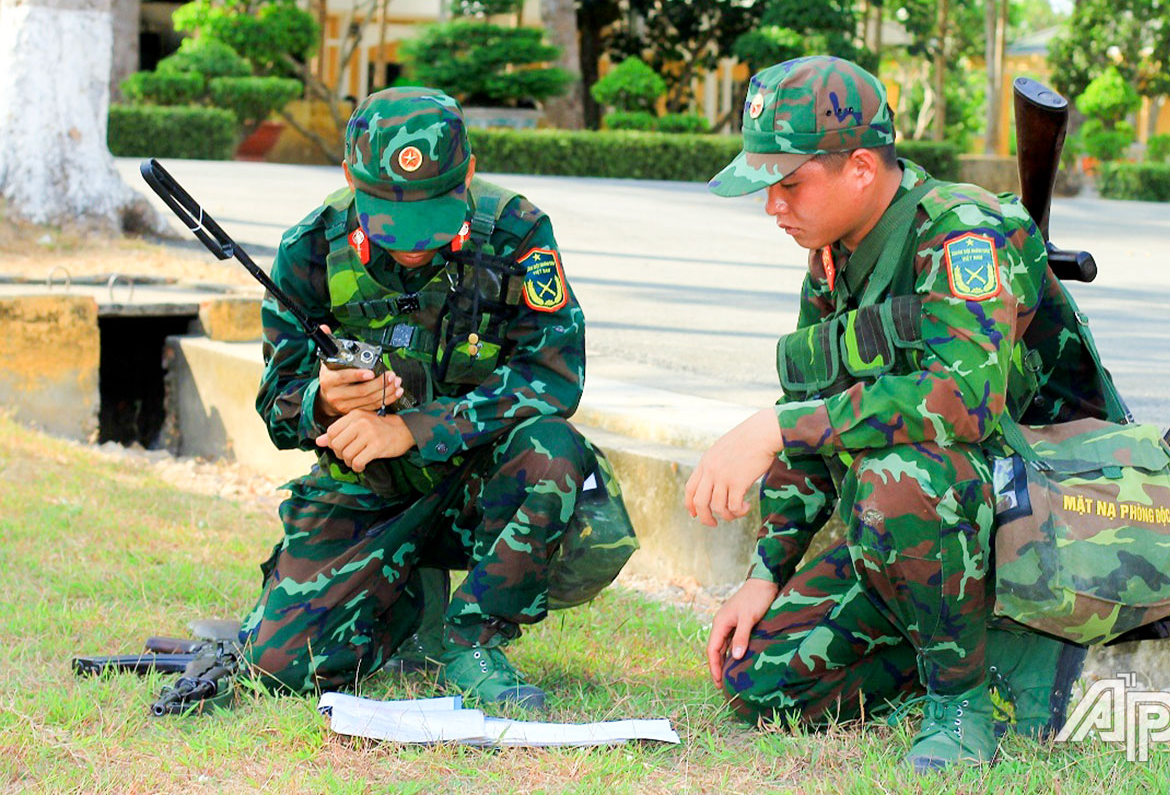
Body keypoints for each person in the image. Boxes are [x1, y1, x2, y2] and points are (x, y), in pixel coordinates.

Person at [687, 56, 1121, 770]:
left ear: (859, 167)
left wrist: (771, 428)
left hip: (1049, 513)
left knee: (898, 473)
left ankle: (962, 704)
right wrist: (765, 571)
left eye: (789, 184)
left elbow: (962, 402)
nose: (773, 206)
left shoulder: (963, 234)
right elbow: (817, 409)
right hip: (940, 521)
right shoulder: (834, 256)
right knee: (758, 682)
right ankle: (951, 645)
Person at [240, 86, 622, 711]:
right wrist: (323, 400)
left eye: (431, 215)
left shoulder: (515, 232)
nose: (412, 242)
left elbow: (554, 376)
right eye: (391, 217)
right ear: (349, 177)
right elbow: (277, 405)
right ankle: (411, 597)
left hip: (481, 480)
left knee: (554, 449)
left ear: (467, 173)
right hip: (369, 491)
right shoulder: (310, 248)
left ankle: (472, 642)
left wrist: (417, 426)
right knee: (280, 667)